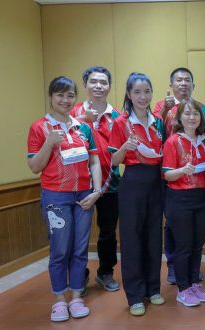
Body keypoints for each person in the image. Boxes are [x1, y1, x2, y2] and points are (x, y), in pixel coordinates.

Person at [27, 76, 102, 322]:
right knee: (60, 249)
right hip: (55, 197)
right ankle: (60, 300)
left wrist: (97, 190)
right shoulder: (40, 128)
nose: (65, 100)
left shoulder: (83, 128)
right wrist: (49, 143)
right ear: (51, 97)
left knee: (80, 249)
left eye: (70, 95)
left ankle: (77, 296)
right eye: (60, 95)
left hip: (84, 196)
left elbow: (94, 161)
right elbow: (34, 167)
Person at [109, 72, 166, 316]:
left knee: (154, 237)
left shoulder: (158, 121)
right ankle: (134, 295)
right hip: (132, 182)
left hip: (156, 182)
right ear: (129, 95)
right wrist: (125, 147)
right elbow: (113, 160)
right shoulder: (121, 123)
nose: (143, 97)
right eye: (137, 92)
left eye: (147, 91)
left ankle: (153, 288)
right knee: (132, 239)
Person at [153, 67, 205, 285]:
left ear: (193, 85)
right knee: (172, 225)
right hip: (169, 173)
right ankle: (173, 267)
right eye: (179, 80)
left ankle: (191, 273)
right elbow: (155, 131)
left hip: (197, 183)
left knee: (195, 235)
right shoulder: (162, 106)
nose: (183, 83)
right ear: (171, 85)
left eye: (188, 80)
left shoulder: (203, 109)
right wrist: (164, 112)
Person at [70, 66, 121, 293]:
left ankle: (105, 272)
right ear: (85, 85)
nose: (98, 86)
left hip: (110, 184)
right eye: (93, 82)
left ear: (109, 86)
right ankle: (79, 275)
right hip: (78, 184)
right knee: (77, 233)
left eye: (103, 82)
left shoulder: (118, 116)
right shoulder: (72, 112)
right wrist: (81, 119)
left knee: (108, 232)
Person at [162, 99, 205, 308]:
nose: (192, 117)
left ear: (201, 118)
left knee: (197, 245)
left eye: (196, 114)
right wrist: (183, 170)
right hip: (179, 198)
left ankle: (194, 283)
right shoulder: (173, 141)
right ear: (180, 118)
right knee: (183, 246)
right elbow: (167, 175)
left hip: (202, 198)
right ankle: (183, 289)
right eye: (187, 113)